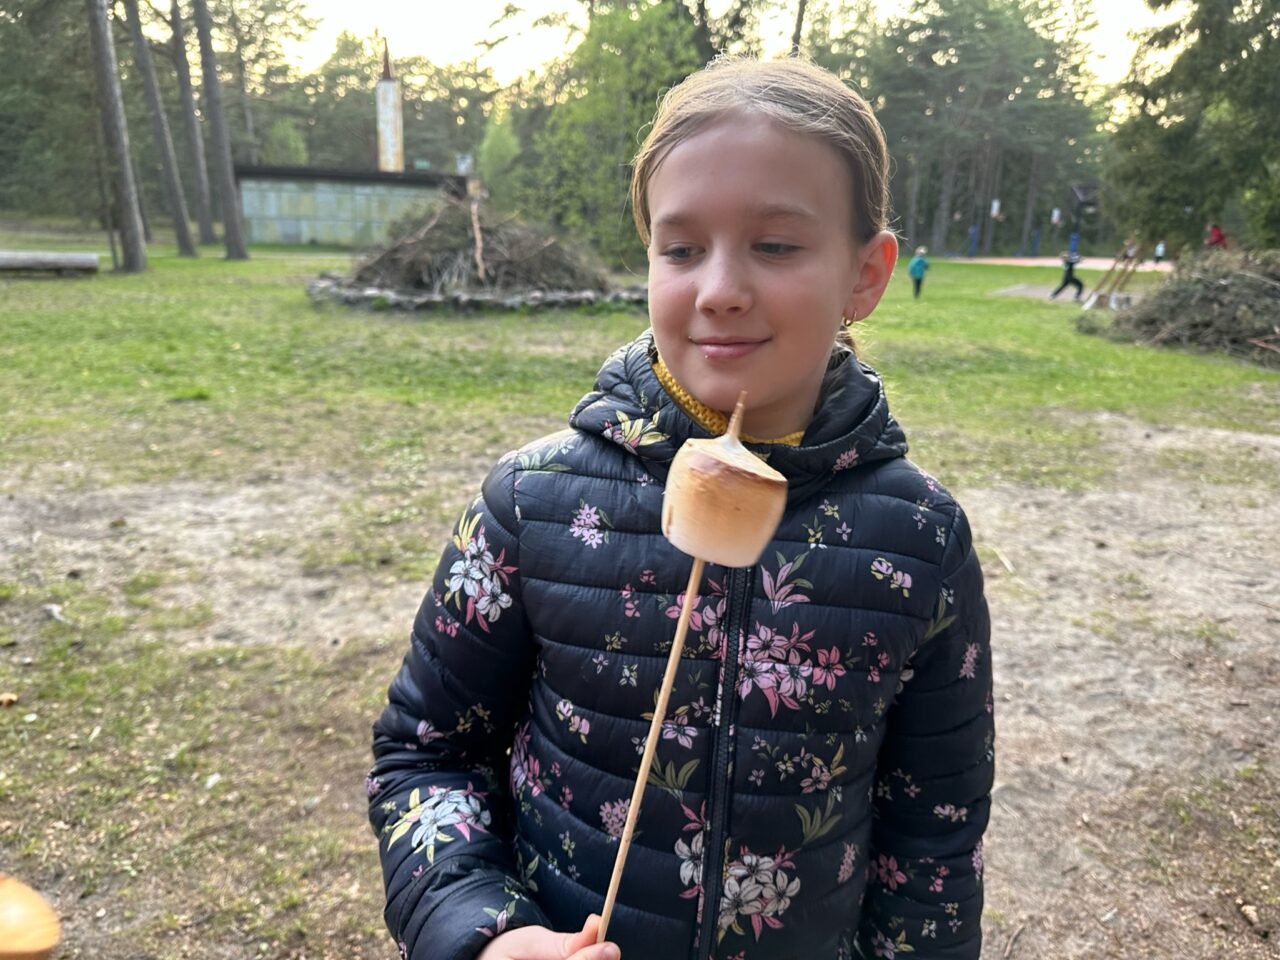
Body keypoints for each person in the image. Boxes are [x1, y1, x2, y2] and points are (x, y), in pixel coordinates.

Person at [368, 55, 994, 960]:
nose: (719, 290)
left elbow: (935, 840)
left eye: (776, 246)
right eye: (682, 249)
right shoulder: (531, 505)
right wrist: (486, 935)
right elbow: (427, 756)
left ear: (866, 275)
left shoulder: (921, 540)